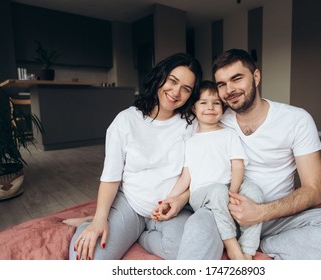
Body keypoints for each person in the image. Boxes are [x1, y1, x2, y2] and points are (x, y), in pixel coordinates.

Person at [210, 48, 321, 259]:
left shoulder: (296, 120)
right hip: (229, 220)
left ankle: (268, 245)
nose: (229, 89)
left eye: (237, 78)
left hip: (279, 219)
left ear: (256, 77)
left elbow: (314, 189)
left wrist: (260, 213)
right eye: (221, 84)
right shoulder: (216, 121)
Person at [65, 53, 224, 260]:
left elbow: (196, 171)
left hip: (171, 208)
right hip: (130, 204)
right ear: (160, 77)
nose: (176, 92)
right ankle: (92, 221)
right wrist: (100, 220)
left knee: (188, 252)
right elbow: (111, 177)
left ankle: (141, 236)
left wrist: (178, 200)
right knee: (89, 258)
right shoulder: (125, 121)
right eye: (172, 81)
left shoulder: (193, 123)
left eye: (186, 89)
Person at [152, 81, 263, 260]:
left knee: (254, 191)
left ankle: (248, 249)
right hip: (201, 195)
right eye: (203, 103)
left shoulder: (229, 134)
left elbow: (237, 166)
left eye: (216, 103)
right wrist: (169, 199)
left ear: (223, 108)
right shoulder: (191, 141)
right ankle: (231, 243)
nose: (210, 107)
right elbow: (186, 176)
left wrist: (233, 193)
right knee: (218, 191)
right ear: (194, 109)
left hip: (227, 188)